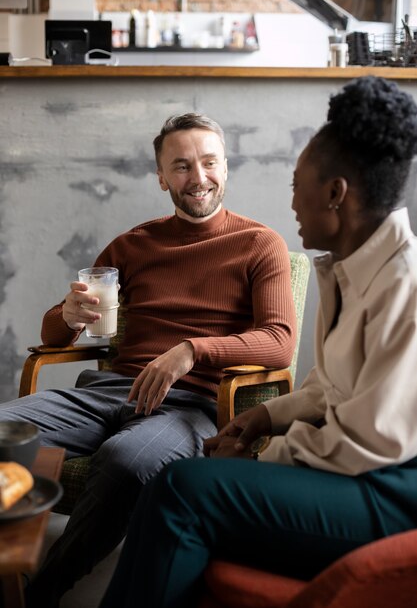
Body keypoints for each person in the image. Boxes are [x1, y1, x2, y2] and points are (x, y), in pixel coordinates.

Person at [98, 75, 417, 608]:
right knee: (179, 491)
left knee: (182, 489)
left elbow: (370, 446)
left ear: (335, 194)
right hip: (360, 475)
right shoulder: (350, 269)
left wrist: (263, 462)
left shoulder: (403, 285)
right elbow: (334, 388)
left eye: (297, 185)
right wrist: (264, 419)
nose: (290, 202)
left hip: (389, 493)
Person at [0, 113, 296, 607]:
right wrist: (68, 314)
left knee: (126, 461)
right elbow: (58, 332)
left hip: (189, 406)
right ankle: (7, 569)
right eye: (181, 166)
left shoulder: (260, 245)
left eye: (208, 162)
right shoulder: (133, 245)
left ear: (226, 167)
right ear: (161, 177)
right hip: (104, 393)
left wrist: (190, 351)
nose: (197, 178)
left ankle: (41, 592)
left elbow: (279, 340)